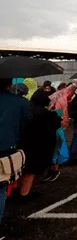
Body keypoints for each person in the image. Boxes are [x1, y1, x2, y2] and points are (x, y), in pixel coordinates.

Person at [17, 91, 61, 198]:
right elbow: (56, 125)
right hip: (38, 146)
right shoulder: (48, 115)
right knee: (31, 170)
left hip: (21, 143)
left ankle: (16, 189)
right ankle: (24, 193)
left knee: (20, 168)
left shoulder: (24, 110)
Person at [0, 78, 31, 223]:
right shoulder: (20, 102)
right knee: (0, 187)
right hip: (5, 149)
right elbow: (27, 124)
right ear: (10, 84)